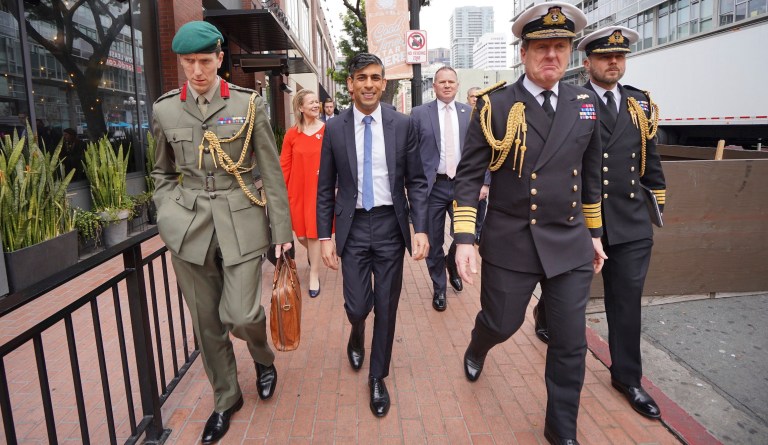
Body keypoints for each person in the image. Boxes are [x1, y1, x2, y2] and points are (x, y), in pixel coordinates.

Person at [452, 4, 606, 444]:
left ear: (570, 53)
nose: (552, 56)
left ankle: (562, 432)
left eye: (560, 47)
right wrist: (464, 238)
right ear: (524, 53)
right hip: (512, 238)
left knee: (570, 341)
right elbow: (468, 177)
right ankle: (479, 343)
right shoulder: (496, 104)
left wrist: (594, 235)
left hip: (569, 240)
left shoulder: (585, 103)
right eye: (542, 48)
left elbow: (591, 175)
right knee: (502, 323)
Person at [150, 21, 293, 444]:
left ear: (219, 59)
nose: (196, 70)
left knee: (242, 314)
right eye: (188, 62)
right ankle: (225, 398)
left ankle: (263, 359)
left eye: (204, 61)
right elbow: (160, 171)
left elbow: (270, 169)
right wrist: (166, 213)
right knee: (207, 323)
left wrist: (281, 231)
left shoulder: (248, 105)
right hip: (188, 228)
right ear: (180, 62)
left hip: (242, 217)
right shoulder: (165, 110)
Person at [533, 25, 666, 420]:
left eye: (619, 57)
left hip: (628, 223)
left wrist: (657, 202)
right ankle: (544, 314)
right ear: (587, 62)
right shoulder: (572, 101)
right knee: (566, 296)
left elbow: (650, 160)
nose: (613, 63)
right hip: (580, 222)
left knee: (626, 304)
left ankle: (628, 378)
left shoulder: (640, 105)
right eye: (605, 57)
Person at [316, 52, 429, 417]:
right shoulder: (334, 128)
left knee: (387, 303)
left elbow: (416, 181)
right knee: (357, 305)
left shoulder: (402, 124)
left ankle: (377, 376)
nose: (368, 84)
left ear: (383, 83)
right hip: (351, 225)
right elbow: (325, 186)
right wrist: (324, 236)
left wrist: (421, 228)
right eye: (361, 77)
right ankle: (356, 329)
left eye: (375, 78)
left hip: (389, 226)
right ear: (350, 84)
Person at [411, 66, 472, 311]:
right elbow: (410, 152)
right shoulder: (418, 114)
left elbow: (480, 152)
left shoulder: (469, 113)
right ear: (434, 86)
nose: (447, 85)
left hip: (462, 186)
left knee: (468, 233)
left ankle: (451, 263)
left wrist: (484, 183)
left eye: (451, 82)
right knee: (433, 240)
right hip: (433, 187)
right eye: (442, 82)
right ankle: (439, 287)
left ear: (457, 85)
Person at [281, 89, 326, 297]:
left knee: (314, 232)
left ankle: (314, 274)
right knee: (300, 234)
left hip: (318, 189)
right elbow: (285, 165)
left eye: (317, 102)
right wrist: (281, 191)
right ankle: (313, 254)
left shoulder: (327, 130)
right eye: (311, 102)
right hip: (296, 189)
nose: (316, 105)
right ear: (300, 108)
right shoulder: (292, 133)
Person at [466, 86, 490, 245]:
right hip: (462, 178)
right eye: (472, 96)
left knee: (480, 211)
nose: (475, 99)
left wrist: (486, 183)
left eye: (478, 96)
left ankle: (479, 236)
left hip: (481, 178)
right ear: (467, 99)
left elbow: (489, 154)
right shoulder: (461, 118)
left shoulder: (487, 119)